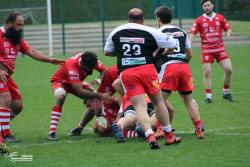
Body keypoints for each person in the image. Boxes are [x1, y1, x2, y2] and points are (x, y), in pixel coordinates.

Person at [104, 8, 181, 149]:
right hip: (147, 70)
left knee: (139, 106)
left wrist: (123, 53)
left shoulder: (116, 31)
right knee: (158, 102)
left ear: (128, 19)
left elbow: (107, 52)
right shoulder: (150, 31)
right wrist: (161, 50)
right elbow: (172, 43)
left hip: (127, 73)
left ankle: (150, 136)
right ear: (143, 20)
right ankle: (169, 136)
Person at [0, 12, 64, 143]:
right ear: (9, 23)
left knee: (17, 105)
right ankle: (5, 134)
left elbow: (32, 52)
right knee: (6, 100)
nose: (21, 28)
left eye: (22, 25)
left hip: (7, 76)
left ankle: (2, 125)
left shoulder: (15, 38)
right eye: (18, 25)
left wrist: (49, 59)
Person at [154, 6, 204, 139]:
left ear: (158, 18)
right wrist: (183, 63)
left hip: (169, 68)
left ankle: (159, 129)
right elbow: (190, 54)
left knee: (159, 101)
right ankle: (199, 129)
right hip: (184, 67)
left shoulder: (158, 32)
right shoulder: (182, 32)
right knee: (188, 100)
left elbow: (154, 54)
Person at [47, 52, 112, 141]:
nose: (90, 70)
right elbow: (80, 92)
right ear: (82, 64)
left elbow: (104, 70)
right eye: (88, 68)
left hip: (76, 82)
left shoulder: (92, 60)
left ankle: (79, 128)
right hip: (61, 82)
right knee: (61, 96)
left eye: (92, 67)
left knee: (95, 101)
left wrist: (99, 79)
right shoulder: (72, 66)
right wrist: (101, 95)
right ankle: (52, 132)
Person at [189, 0, 234, 103]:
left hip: (220, 49)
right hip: (207, 50)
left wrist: (228, 32)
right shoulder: (199, 20)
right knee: (207, 72)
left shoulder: (220, 17)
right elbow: (192, 33)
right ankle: (208, 96)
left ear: (212, 6)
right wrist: (189, 44)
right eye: (205, 6)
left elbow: (227, 28)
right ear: (203, 8)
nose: (207, 7)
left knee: (229, 69)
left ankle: (226, 92)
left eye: (208, 5)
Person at [69, 65, 120, 136]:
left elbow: (121, 100)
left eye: (89, 106)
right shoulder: (102, 111)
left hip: (119, 71)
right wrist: (100, 131)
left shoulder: (106, 101)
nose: (89, 109)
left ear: (96, 101)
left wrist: (119, 118)